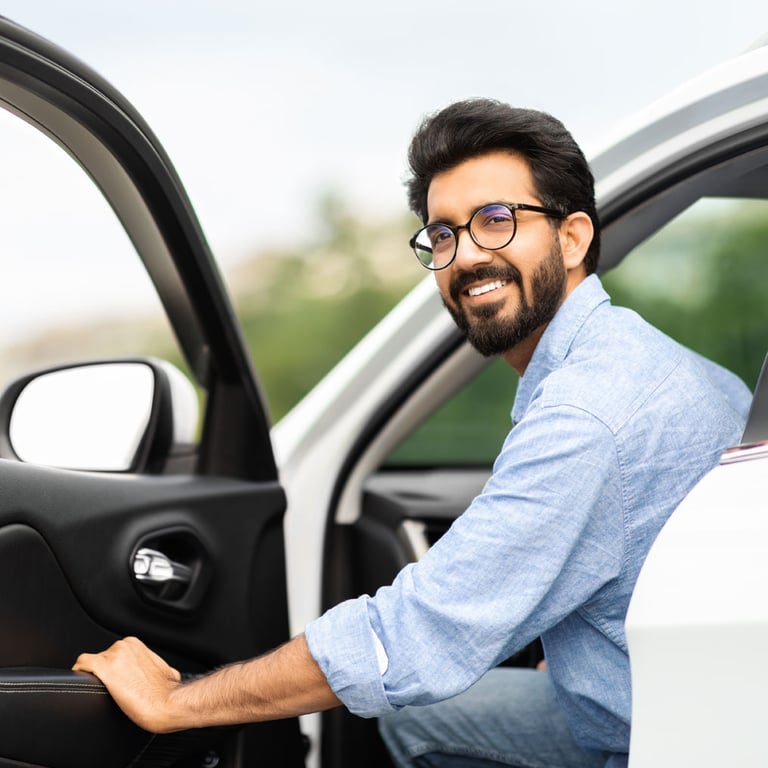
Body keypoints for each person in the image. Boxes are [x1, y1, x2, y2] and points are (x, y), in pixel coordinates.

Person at [74, 99, 752, 768]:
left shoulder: (584, 419)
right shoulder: (659, 366)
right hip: (674, 698)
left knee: (407, 694)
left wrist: (178, 702)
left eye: (496, 220)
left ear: (572, 238)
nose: (464, 257)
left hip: (660, 740)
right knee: (419, 720)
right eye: (445, 235)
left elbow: (412, 638)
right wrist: (580, 638)